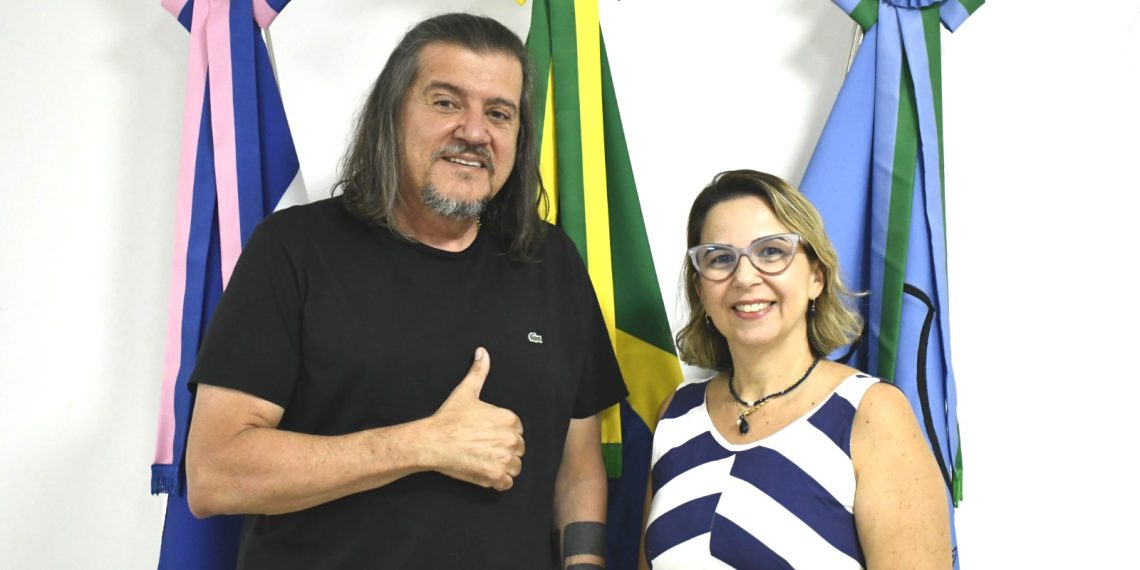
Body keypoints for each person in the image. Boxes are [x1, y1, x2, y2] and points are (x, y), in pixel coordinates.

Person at [184, 13, 626, 570]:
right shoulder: (294, 249)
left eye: (499, 113)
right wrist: (425, 444)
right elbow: (215, 473)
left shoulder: (551, 261)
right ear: (392, 114)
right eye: (446, 102)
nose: (474, 132)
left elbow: (577, 466)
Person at [640, 170, 950, 569]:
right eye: (720, 258)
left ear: (816, 277)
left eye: (771, 251)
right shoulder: (675, 415)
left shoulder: (871, 413)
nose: (745, 277)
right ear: (701, 290)